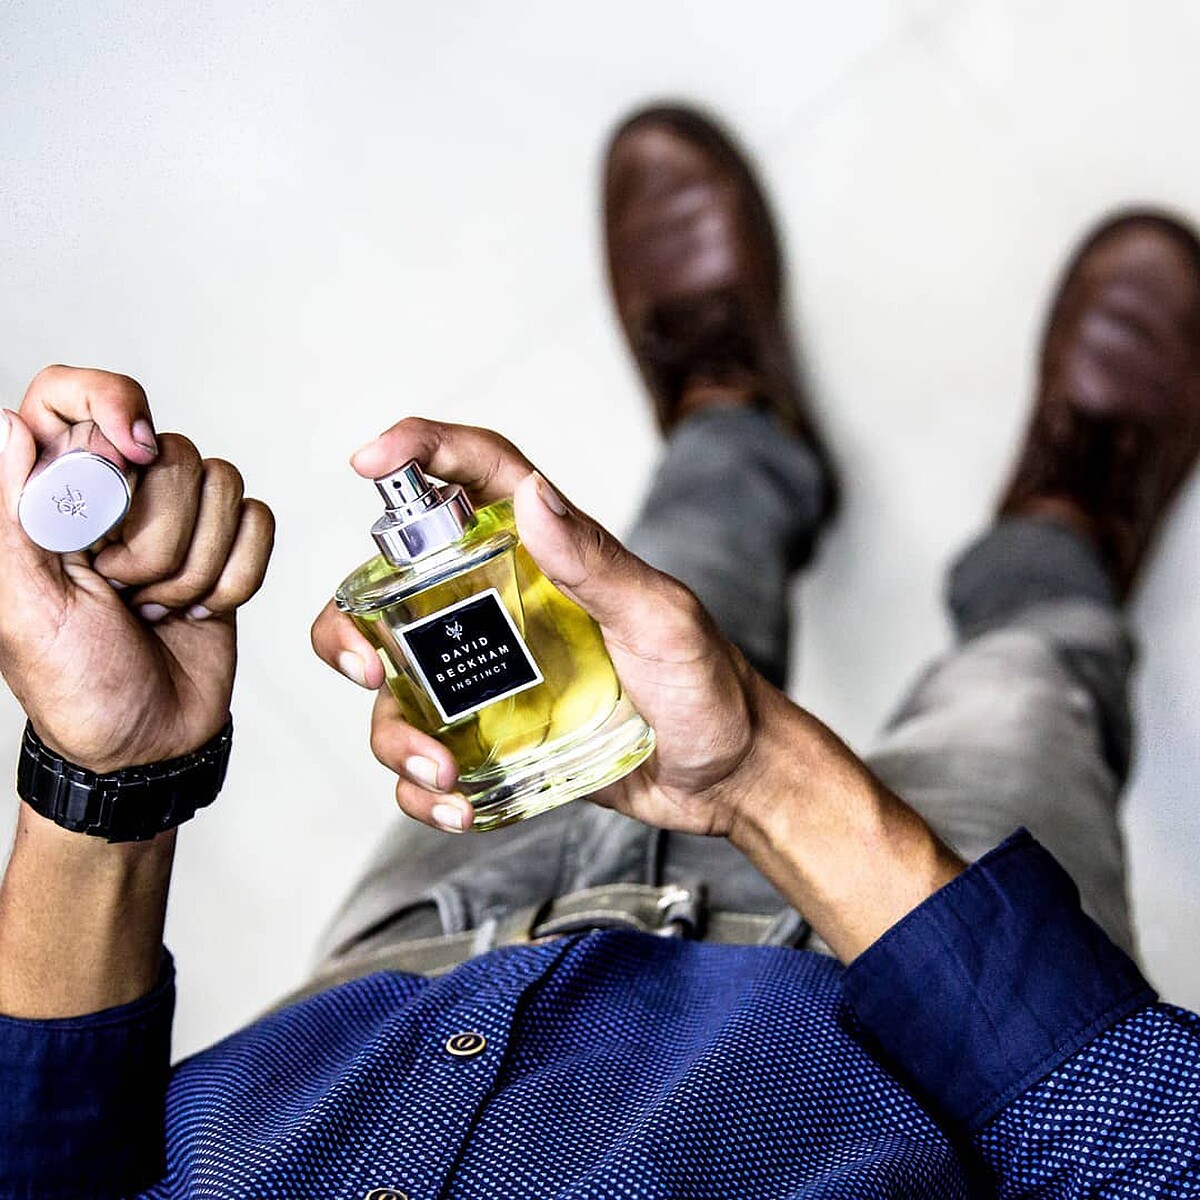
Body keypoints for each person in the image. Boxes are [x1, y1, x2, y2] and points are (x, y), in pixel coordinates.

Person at [2, 104, 1199, 1199]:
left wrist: (113, 774)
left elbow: (36, 1162)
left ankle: (737, 426)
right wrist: (762, 777)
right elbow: (1150, 1142)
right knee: (1027, 692)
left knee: (662, 564)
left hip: (413, 971)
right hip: (916, 1026)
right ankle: (1065, 537)